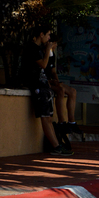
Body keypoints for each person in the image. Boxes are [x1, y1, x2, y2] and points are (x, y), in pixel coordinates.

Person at [22, 25, 73, 156]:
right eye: (48, 35)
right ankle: (56, 146)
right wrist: (48, 50)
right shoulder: (32, 48)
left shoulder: (39, 49)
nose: (49, 38)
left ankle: (57, 144)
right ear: (41, 34)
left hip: (45, 86)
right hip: (38, 87)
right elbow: (43, 65)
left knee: (49, 117)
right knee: (45, 117)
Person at [45, 34, 81, 135]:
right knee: (60, 91)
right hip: (44, 81)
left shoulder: (52, 55)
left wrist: (57, 81)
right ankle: (61, 121)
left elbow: (53, 71)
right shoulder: (43, 53)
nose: (55, 45)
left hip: (52, 80)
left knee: (72, 91)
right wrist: (52, 82)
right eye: (54, 43)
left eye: (56, 43)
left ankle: (72, 122)